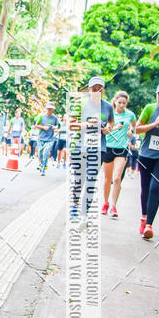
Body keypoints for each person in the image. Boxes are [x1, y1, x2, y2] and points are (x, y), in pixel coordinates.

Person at [69, 76, 114, 222]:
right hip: (80, 147)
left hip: (98, 148)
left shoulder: (108, 106)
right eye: (94, 89)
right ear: (89, 89)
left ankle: (84, 214)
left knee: (91, 180)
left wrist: (108, 128)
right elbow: (71, 125)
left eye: (100, 89)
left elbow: (111, 123)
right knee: (79, 180)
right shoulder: (80, 104)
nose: (97, 91)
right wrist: (88, 124)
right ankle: (74, 206)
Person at [135, 82, 159, 240]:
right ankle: (144, 217)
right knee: (145, 188)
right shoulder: (150, 108)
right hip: (146, 155)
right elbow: (137, 129)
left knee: (155, 187)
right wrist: (155, 124)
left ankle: (149, 226)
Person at [102, 90, 135, 217]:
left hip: (122, 148)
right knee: (108, 179)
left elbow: (134, 126)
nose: (121, 105)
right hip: (108, 147)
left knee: (117, 178)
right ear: (115, 101)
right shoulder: (109, 113)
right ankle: (105, 203)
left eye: (124, 103)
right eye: (119, 102)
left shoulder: (130, 115)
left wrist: (131, 131)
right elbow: (104, 130)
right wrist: (114, 128)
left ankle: (114, 207)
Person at [35, 102, 60, 175]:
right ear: (46, 109)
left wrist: (55, 127)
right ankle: (41, 164)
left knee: (45, 153)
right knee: (40, 153)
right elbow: (36, 125)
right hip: (41, 138)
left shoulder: (54, 118)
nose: (49, 110)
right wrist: (43, 127)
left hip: (50, 139)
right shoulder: (41, 116)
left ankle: (43, 168)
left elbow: (57, 125)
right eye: (48, 108)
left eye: (51, 109)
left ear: (53, 110)